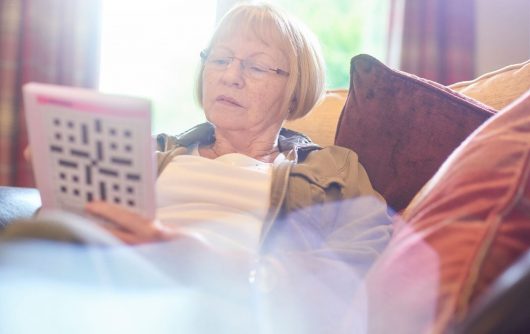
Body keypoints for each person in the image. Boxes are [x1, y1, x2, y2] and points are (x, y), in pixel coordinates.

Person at [4, 3, 392, 333]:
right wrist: (64, 191)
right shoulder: (151, 152)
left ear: (295, 90)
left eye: (256, 67)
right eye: (220, 59)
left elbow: (361, 263)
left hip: (228, 302)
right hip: (118, 280)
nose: (229, 75)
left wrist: (214, 264)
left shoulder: (332, 168)